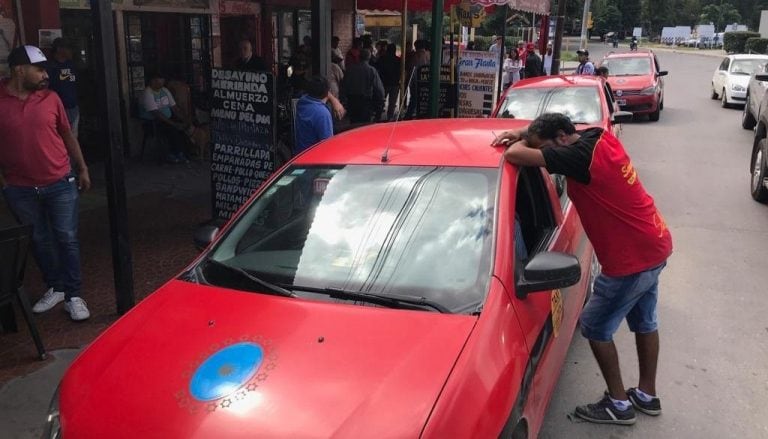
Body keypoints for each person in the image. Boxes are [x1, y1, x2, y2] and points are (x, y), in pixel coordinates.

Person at [492, 112, 672, 426]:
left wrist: (520, 140)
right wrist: (524, 130)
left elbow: (514, 154)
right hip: (653, 243)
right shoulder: (592, 136)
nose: (545, 154)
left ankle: (618, 404)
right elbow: (542, 136)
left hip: (630, 259)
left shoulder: (577, 159)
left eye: (545, 148)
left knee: (594, 325)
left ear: (561, 139)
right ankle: (646, 394)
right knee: (645, 320)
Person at [0, 45, 91, 321]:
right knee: (39, 240)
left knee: (67, 238)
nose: (44, 75)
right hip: (19, 188)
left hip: (60, 181)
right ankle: (57, 286)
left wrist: (83, 167)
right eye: (39, 70)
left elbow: (67, 134)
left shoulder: (51, 98)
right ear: (19, 70)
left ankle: (74, 295)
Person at [140, 71, 193, 164]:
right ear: (153, 81)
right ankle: (172, 154)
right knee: (172, 128)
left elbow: (174, 108)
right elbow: (156, 113)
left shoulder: (165, 90)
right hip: (152, 122)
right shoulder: (147, 93)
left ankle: (183, 152)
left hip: (167, 118)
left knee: (184, 127)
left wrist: (184, 119)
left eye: (162, 81)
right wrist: (174, 123)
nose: (161, 83)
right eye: (159, 81)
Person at [46, 38, 79, 138]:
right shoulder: (50, 67)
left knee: (73, 139)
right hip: (58, 110)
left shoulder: (72, 65)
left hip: (73, 108)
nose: (71, 51)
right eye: (68, 48)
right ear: (59, 49)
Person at [342, 48, 385, 124]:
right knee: (364, 125)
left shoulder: (350, 69)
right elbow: (379, 90)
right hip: (366, 102)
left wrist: (343, 101)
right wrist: (380, 105)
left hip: (352, 101)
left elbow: (343, 86)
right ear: (369, 57)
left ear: (359, 57)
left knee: (353, 124)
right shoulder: (371, 70)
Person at [294, 75, 333, 155]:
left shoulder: (302, 103)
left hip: (301, 154)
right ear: (327, 93)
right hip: (315, 158)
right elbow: (327, 144)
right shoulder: (322, 113)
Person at [377, 42, 402, 121]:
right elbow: (401, 71)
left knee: (381, 100)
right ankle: (390, 117)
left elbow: (378, 69)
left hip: (384, 83)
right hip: (395, 83)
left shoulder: (382, 58)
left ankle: (378, 116)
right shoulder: (399, 60)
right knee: (392, 102)